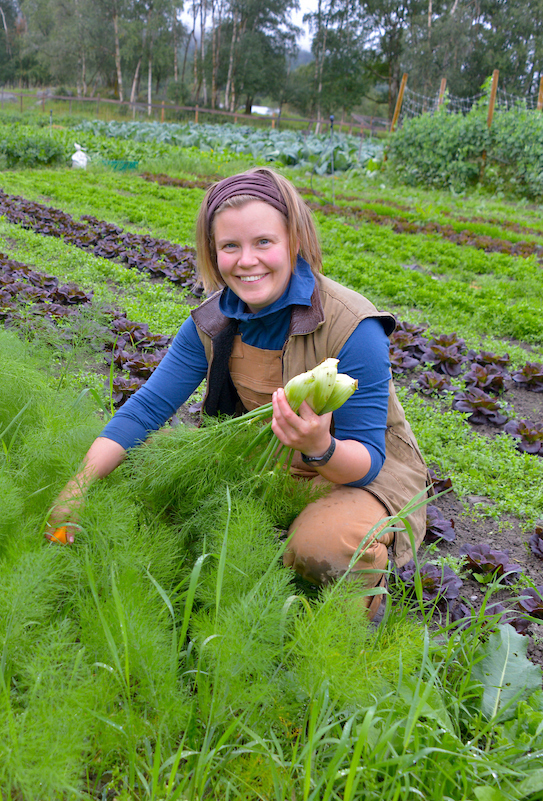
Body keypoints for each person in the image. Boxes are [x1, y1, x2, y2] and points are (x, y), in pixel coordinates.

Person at [45, 167, 429, 620]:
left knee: (320, 546)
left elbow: (367, 462)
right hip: (271, 462)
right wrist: (78, 487)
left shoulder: (353, 327)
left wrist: (319, 446)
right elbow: (145, 410)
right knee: (143, 477)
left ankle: (361, 602)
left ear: (295, 241)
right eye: (230, 246)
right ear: (214, 252)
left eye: (263, 242)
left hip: (360, 468)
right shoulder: (210, 324)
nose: (247, 261)